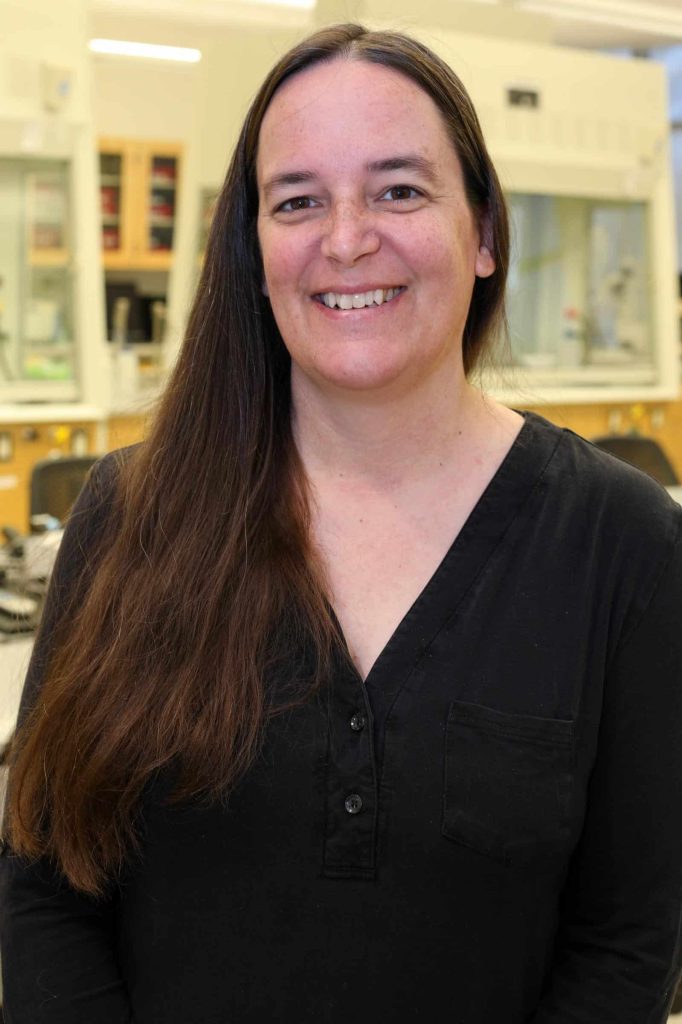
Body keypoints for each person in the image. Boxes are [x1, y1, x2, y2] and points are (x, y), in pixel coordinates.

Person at [1, 22, 682, 1024]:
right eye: (297, 201)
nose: (346, 236)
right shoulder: (130, 518)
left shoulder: (624, 545)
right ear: (253, 247)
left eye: (399, 189)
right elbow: (45, 889)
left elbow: (629, 941)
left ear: (485, 231)